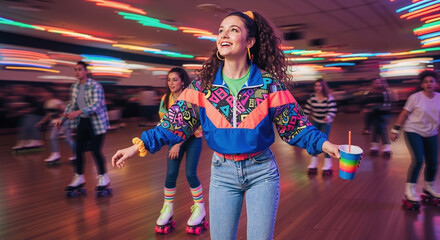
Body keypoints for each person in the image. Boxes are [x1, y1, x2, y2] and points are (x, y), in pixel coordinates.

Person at [111, 11, 340, 240]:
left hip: (262, 173)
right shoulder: (203, 87)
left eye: (233, 29)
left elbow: (296, 125)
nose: (223, 35)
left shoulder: (269, 84)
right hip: (222, 174)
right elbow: (172, 123)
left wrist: (325, 144)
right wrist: (137, 146)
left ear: (250, 42)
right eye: (221, 30)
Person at [155, 68, 206, 233]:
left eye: (175, 80)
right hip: (174, 139)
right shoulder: (166, 99)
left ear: (182, 81)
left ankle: (200, 209)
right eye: (169, 80)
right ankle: (167, 209)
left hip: (193, 138)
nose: (171, 83)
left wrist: (178, 143)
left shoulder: (190, 97)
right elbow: (164, 124)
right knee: (170, 174)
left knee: (190, 174)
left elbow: (193, 124)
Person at [56, 61, 111, 196]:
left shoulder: (95, 86)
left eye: (80, 69)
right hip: (83, 122)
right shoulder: (74, 87)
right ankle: (79, 177)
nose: (77, 72)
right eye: (75, 70)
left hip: (97, 123)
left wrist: (78, 112)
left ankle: (103, 177)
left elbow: (96, 105)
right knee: (78, 150)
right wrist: (62, 119)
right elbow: (71, 105)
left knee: (95, 151)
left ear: (86, 71)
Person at [390, 70, 440, 207]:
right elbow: (404, 114)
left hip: (432, 133)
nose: (429, 84)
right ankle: (409, 190)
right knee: (418, 160)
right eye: (425, 82)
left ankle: (429, 186)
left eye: (431, 81)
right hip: (413, 131)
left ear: (436, 83)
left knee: (433, 162)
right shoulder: (415, 97)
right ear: (422, 84)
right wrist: (395, 130)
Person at [303, 78, 337, 175]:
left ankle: (328, 164)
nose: (318, 88)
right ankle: (313, 162)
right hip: (315, 120)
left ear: (323, 87)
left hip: (326, 122)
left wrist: (328, 116)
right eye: (316, 86)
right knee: (313, 140)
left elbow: (333, 109)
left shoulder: (329, 97)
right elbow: (307, 110)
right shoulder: (312, 97)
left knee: (325, 141)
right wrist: (303, 119)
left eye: (320, 86)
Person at [37, 98, 76, 163]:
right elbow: (48, 115)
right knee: (52, 138)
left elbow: (65, 112)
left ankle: (76, 153)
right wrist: (41, 122)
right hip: (56, 123)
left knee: (66, 139)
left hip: (64, 122)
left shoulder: (56, 102)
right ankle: (55, 154)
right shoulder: (46, 103)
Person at [364, 78, 392, 156]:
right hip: (374, 114)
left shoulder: (386, 93)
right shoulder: (371, 93)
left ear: (383, 84)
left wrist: (374, 106)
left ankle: (385, 148)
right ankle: (375, 147)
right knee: (376, 129)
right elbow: (367, 102)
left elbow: (387, 105)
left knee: (382, 129)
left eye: (379, 83)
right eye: (376, 83)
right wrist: (368, 108)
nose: (378, 85)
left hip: (384, 114)